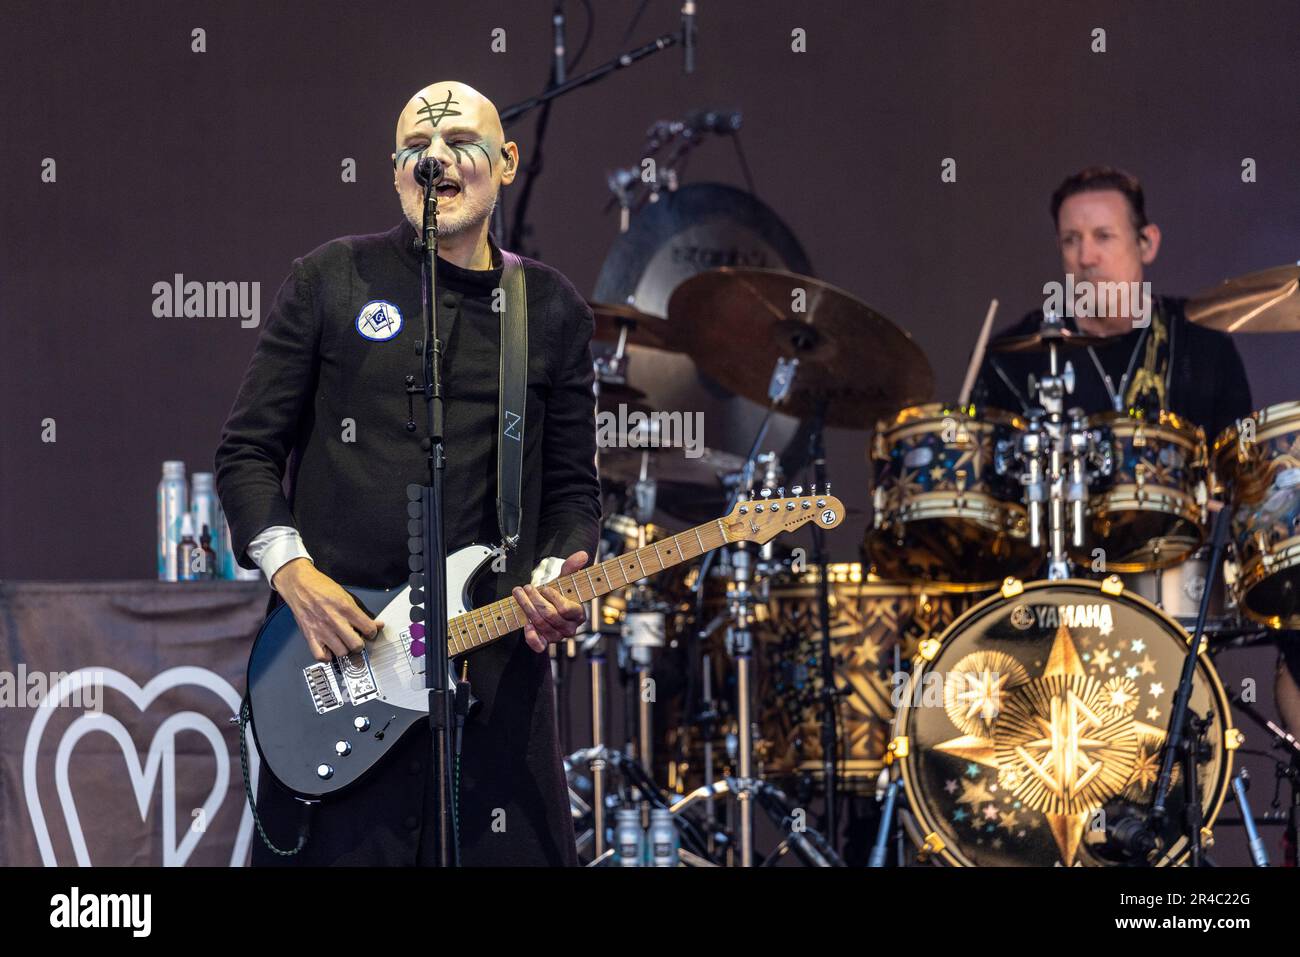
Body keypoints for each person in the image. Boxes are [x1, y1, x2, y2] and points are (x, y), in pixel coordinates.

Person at [215, 81, 601, 866]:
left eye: (461, 140)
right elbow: (246, 453)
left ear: (507, 161)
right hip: (339, 665)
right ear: (396, 175)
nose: (438, 158)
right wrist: (294, 575)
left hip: (491, 687)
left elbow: (571, 492)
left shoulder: (550, 309)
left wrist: (561, 571)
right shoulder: (331, 279)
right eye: (417, 148)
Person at [973, 166, 1251, 443]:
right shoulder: (1012, 359)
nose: (1086, 257)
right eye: (1071, 240)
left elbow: (1240, 473)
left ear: (1147, 243)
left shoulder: (1203, 344)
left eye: (1103, 236)